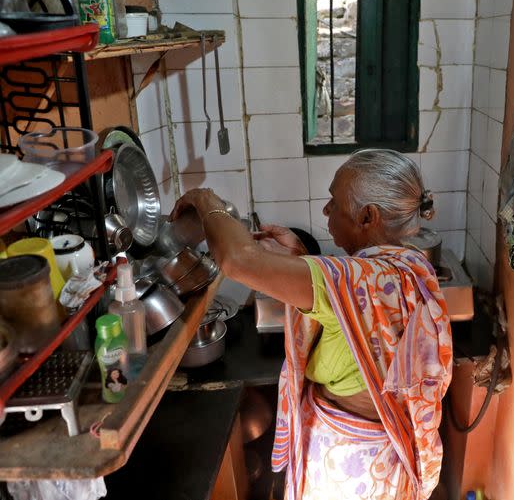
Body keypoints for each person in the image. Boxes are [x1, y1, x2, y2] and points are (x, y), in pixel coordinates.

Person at [171, 149, 453, 500]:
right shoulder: (408, 267)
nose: (326, 210)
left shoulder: (354, 279)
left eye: (333, 202)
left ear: (368, 216)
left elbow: (238, 260)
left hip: (351, 463)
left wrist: (204, 199)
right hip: (385, 457)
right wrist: (301, 260)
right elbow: (354, 307)